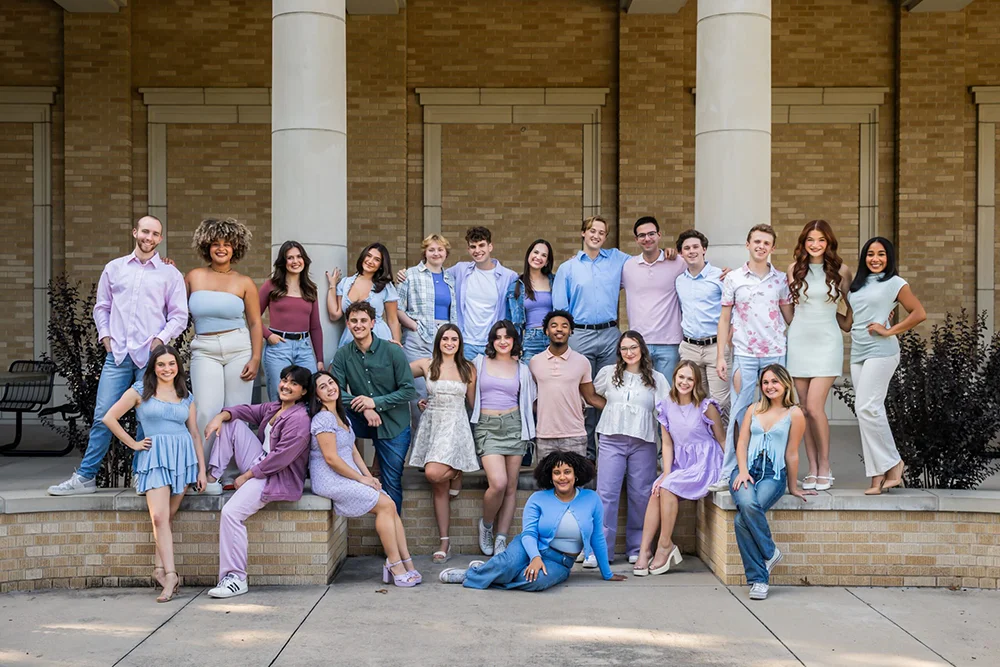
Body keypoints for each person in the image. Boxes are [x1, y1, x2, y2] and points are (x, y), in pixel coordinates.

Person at [48, 215, 188, 496]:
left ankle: (141, 475)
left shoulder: (170, 274)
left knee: (147, 419)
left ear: (160, 239)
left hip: (150, 359)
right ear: (135, 232)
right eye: (145, 231)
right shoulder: (114, 268)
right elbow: (102, 307)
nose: (149, 238)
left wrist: (160, 340)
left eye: (155, 234)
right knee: (103, 416)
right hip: (118, 356)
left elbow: (179, 315)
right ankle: (86, 477)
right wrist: (105, 337)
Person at [101, 345, 206, 602]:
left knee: (167, 517)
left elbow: (194, 433)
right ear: (153, 367)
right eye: (161, 364)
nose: (167, 369)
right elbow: (109, 418)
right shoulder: (140, 391)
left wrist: (202, 470)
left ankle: (159, 569)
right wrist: (134, 444)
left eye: (171, 364)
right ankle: (171, 575)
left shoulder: (185, 395)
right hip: (155, 458)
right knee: (159, 517)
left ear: (178, 366)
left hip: (182, 458)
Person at [438, 451, 627, 590]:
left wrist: (607, 573)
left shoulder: (591, 499)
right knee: (509, 564)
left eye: (567, 472)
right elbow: (529, 533)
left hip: (560, 562)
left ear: (575, 474)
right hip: (528, 546)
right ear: (550, 477)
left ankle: (487, 572)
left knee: (535, 582)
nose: (562, 477)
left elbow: (597, 537)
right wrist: (535, 557)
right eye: (557, 472)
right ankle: (474, 574)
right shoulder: (538, 499)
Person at [203, 365, 313, 599]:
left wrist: (247, 475)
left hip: (274, 475)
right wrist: (219, 417)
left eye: (294, 383)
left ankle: (236, 578)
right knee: (231, 423)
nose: (286, 386)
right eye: (284, 380)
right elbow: (244, 410)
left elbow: (280, 458)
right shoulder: (275, 407)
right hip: (259, 462)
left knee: (231, 513)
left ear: (303, 391)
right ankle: (212, 479)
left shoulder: (300, 420)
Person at [309, 371, 421, 587]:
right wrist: (361, 480)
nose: (330, 388)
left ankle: (407, 562)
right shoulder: (323, 418)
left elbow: (353, 452)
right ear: (317, 395)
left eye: (331, 382)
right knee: (386, 505)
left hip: (349, 476)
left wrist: (369, 477)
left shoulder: (341, 415)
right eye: (323, 386)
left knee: (389, 504)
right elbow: (331, 459)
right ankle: (395, 564)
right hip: (330, 479)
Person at [710, 224, 793, 492]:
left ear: (772, 248)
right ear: (748, 244)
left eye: (766, 243)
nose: (761, 246)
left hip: (775, 354)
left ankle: (777, 471)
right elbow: (724, 319)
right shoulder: (734, 278)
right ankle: (728, 472)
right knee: (739, 413)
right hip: (744, 354)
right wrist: (721, 356)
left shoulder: (781, 280)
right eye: (757, 241)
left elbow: (790, 317)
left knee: (778, 413)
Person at [841, 237, 926, 495]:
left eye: (881, 254)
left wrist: (889, 330)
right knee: (866, 412)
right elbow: (848, 324)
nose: (875, 259)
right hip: (858, 353)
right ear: (864, 257)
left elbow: (919, 313)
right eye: (870, 254)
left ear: (888, 257)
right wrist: (817, 311)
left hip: (881, 351)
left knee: (867, 407)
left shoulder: (895, 283)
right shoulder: (856, 286)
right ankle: (876, 477)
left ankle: (894, 462)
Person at [185, 217, 263, 493]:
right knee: (206, 410)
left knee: (235, 412)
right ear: (206, 246)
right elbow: (174, 308)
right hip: (204, 349)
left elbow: (255, 323)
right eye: (216, 244)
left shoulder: (244, 282)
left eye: (227, 244)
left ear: (235, 248)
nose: (221, 248)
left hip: (238, 348)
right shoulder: (193, 276)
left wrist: (255, 358)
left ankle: (227, 472)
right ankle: (201, 470)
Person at [633, 361, 724, 577]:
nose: (684, 382)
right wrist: (666, 472)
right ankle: (644, 551)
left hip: (706, 462)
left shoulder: (706, 406)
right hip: (681, 463)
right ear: (674, 378)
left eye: (690, 379)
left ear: (696, 382)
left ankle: (665, 545)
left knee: (667, 487)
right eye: (681, 377)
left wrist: (731, 471)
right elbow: (667, 444)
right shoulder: (666, 405)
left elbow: (722, 439)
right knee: (657, 489)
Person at [729, 364, 809, 601]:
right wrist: (743, 471)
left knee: (742, 519)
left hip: (773, 475)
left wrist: (792, 487)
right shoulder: (753, 409)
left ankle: (758, 580)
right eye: (765, 382)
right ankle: (769, 552)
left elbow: (792, 453)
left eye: (774, 381)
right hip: (745, 470)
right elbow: (742, 443)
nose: (769, 386)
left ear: (785, 384)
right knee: (747, 505)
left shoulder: (795, 413)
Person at [552, 215, 629, 459]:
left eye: (601, 232)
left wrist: (670, 255)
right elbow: (560, 310)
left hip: (609, 335)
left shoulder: (617, 259)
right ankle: (585, 453)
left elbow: (646, 263)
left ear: (605, 237)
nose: (596, 235)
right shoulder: (568, 268)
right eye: (592, 231)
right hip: (580, 335)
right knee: (582, 394)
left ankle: (609, 449)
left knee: (610, 392)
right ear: (583, 233)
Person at [331, 301, 416, 513]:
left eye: (363, 320)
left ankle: (393, 526)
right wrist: (365, 407)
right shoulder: (343, 354)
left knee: (391, 481)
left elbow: (408, 390)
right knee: (328, 416)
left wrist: (375, 403)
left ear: (372, 323)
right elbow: (335, 391)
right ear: (348, 324)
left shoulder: (392, 351)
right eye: (353, 321)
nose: (358, 325)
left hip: (393, 424)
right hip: (361, 419)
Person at [591, 331, 668, 568]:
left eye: (633, 347)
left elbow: (666, 413)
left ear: (642, 349)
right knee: (606, 494)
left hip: (643, 441)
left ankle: (638, 548)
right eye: (624, 348)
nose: (629, 353)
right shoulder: (608, 373)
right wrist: (611, 410)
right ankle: (599, 549)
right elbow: (592, 395)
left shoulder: (656, 379)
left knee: (641, 495)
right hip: (611, 438)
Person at [785, 221, 852, 492]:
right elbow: (790, 310)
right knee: (803, 410)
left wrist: (843, 320)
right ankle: (811, 468)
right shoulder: (793, 269)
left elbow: (853, 306)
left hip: (827, 343)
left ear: (829, 242)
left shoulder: (841, 270)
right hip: (798, 343)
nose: (815, 245)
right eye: (810, 240)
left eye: (821, 240)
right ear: (803, 242)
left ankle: (825, 466)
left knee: (814, 407)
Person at [408, 324, 479, 563]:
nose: (449, 343)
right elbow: (397, 376)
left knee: (434, 473)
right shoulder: (426, 365)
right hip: (433, 424)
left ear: (460, 343)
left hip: (456, 426)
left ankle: (456, 470)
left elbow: (473, 404)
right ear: (438, 341)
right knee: (438, 486)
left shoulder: (468, 368)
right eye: (445, 338)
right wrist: (419, 399)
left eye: (454, 339)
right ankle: (444, 542)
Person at [470, 320, 537, 557]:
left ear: (514, 340)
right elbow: (471, 397)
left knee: (510, 486)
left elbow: (529, 401)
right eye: (498, 337)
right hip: (487, 427)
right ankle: (487, 525)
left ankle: (501, 537)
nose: (502, 341)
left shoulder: (523, 369)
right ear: (492, 341)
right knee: (497, 483)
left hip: (514, 426)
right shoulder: (479, 363)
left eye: (507, 337)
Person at [396, 234, 458, 429]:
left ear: (446, 253)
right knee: (419, 394)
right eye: (431, 249)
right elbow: (397, 307)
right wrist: (414, 326)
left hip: (445, 341)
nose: (436, 253)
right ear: (425, 252)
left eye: (440, 249)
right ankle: (418, 442)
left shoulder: (450, 278)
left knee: (441, 391)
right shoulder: (410, 275)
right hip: (418, 339)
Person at [528, 310, 606, 461]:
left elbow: (591, 397)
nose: (559, 329)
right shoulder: (534, 362)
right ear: (546, 331)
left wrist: (617, 408)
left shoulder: (582, 361)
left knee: (576, 475)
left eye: (564, 326)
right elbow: (532, 398)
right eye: (554, 326)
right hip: (544, 435)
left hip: (575, 435)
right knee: (546, 477)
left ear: (571, 331)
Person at [621, 216, 687, 381]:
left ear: (659, 235)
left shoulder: (678, 263)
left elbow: (699, 271)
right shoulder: (628, 267)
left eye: (651, 234)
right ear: (636, 240)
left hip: (670, 343)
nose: (647, 238)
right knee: (641, 391)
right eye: (642, 235)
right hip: (639, 342)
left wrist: (724, 273)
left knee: (666, 392)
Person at [674, 229, 730, 417]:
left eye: (695, 247)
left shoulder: (720, 276)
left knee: (720, 402)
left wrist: (727, 342)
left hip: (715, 347)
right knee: (697, 400)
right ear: (681, 253)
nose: (692, 251)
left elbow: (733, 311)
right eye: (687, 248)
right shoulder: (679, 281)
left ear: (704, 249)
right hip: (690, 347)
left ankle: (724, 437)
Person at [259, 240, 324, 401]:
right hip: (278, 348)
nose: (295, 261)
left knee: (309, 395)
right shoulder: (271, 286)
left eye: (299, 256)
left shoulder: (310, 289)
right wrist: (268, 335)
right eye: (290, 258)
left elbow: (315, 327)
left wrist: (320, 359)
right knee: (280, 397)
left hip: (304, 348)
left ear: (304, 260)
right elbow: (252, 316)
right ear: (283, 262)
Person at [447, 226, 517, 360]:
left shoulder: (508, 276)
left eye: (481, 245)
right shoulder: (460, 270)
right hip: (466, 343)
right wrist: (407, 274)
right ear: (468, 249)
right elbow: (436, 275)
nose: (477, 250)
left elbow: (516, 313)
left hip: (494, 343)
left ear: (490, 246)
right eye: (473, 247)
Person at [327, 242, 402, 348]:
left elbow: (393, 320)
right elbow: (334, 315)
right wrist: (332, 285)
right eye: (368, 256)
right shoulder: (345, 283)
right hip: (351, 338)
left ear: (381, 265)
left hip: (379, 338)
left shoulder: (386, 287)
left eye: (377, 259)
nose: (370, 261)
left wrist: (397, 346)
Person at [505, 239, 554, 361]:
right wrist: (514, 349)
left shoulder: (555, 281)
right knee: (529, 373)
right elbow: (512, 322)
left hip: (554, 337)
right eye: (536, 252)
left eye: (544, 255)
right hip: (531, 339)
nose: (538, 257)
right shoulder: (516, 286)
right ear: (529, 254)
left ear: (547, 262)